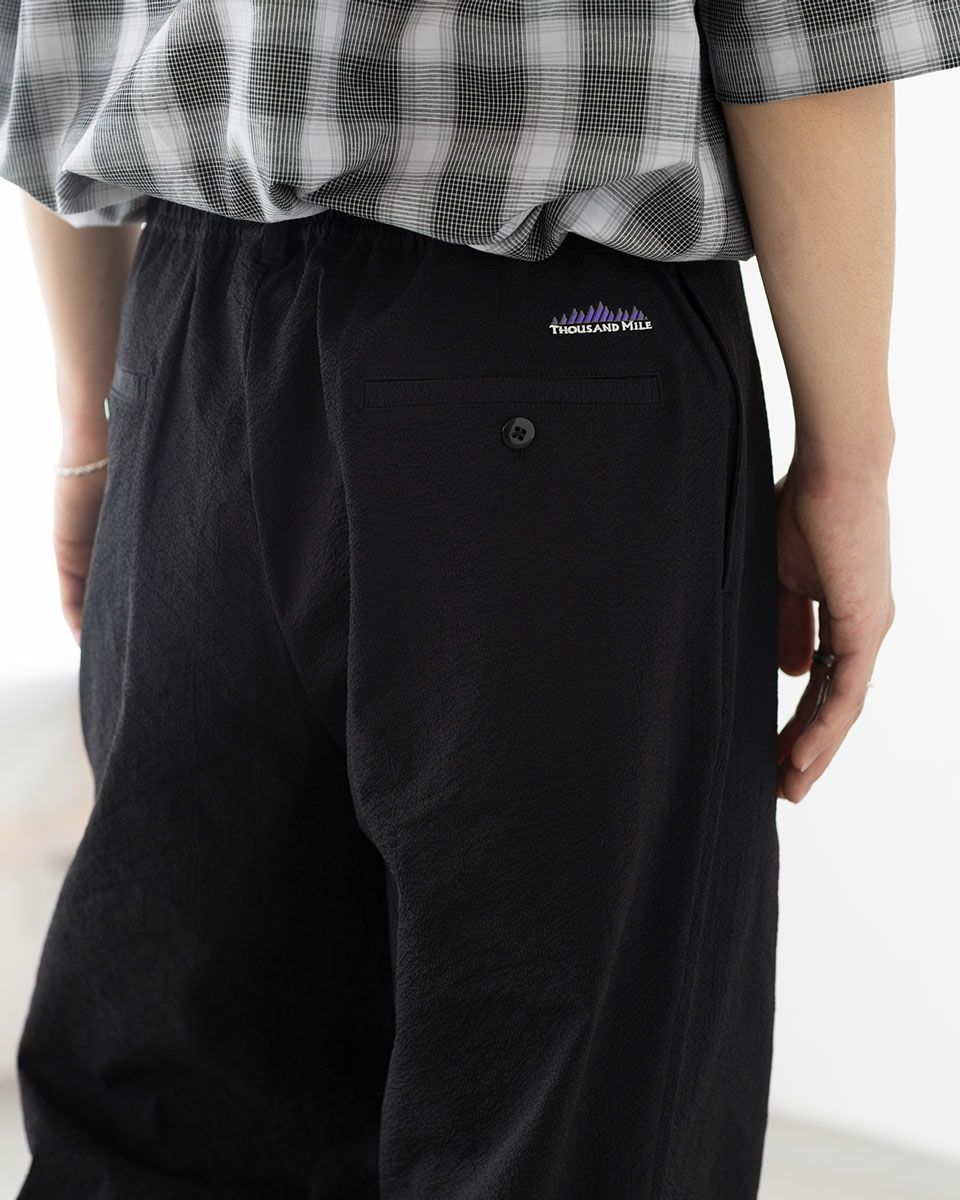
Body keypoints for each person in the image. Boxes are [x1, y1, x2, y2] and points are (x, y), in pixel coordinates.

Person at [2, 1, 954, 1196]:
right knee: (567, 1129)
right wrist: (848, 462)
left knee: (170, 1113)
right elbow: (807, 29)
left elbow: (42, 47)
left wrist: (95, 416)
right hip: (558, 350)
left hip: (199, 350)